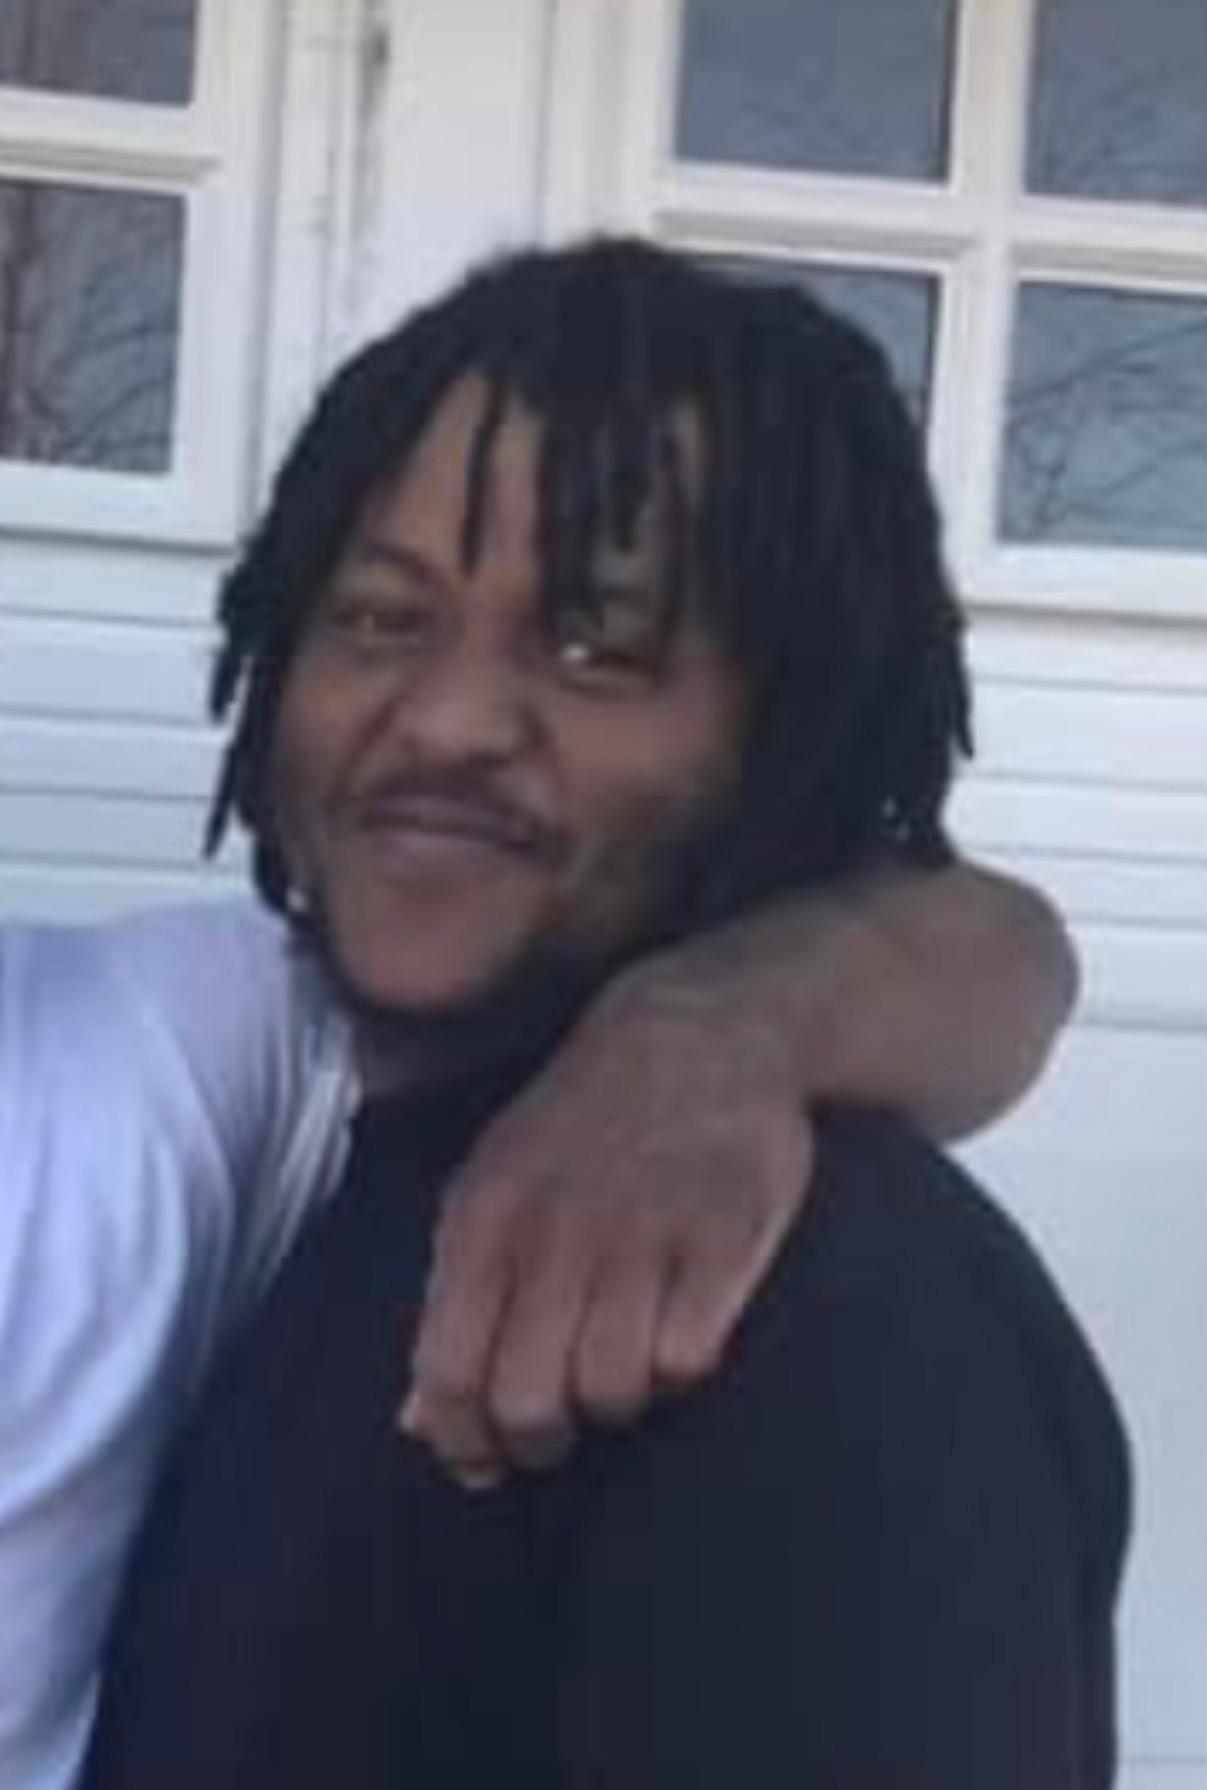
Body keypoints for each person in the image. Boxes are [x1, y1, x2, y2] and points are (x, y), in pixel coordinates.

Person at [75, 239, 1129, 1789]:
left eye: (594, 647)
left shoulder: (817, 1301)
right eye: (379, 619)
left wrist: (720, 1028)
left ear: (799, 722)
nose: (447, 720)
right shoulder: (241, 1099)